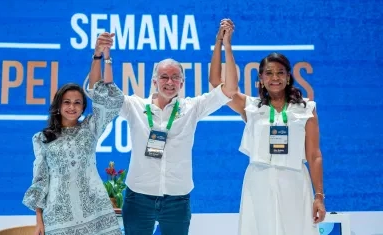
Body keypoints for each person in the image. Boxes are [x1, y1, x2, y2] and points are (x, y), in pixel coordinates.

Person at [85, 24, 238, 235]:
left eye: (175, 77)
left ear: (182, 83)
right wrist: (98, 56)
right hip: (138, 197)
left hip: (177, 199)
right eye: (164, 77)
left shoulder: (192, 108)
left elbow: (229, 89)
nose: (170, 82)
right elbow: (97, 92)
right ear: (154, 81)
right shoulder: (134, 106)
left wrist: (225, 45)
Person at [209, 19, 326, 235]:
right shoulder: (251, 107)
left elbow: (314, 154)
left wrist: (319, 196)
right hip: (259, 181)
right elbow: (217, 83)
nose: (275, 78)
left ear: (288, 77)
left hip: (295, 182)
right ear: (261, 78)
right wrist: (223, 44)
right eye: (269, 73)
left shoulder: (306, 108)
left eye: (280, 73)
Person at [22, 35, 124, 235]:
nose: (72, 107)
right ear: (58, 106)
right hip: (59, 217)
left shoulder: (90, 129)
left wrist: (101, 57)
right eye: (67, 102)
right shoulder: (42, 138)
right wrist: (39, 220)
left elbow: (102, 96)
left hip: (96, 213)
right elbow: (40, 180)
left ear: (83, 107)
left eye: (78, 102)